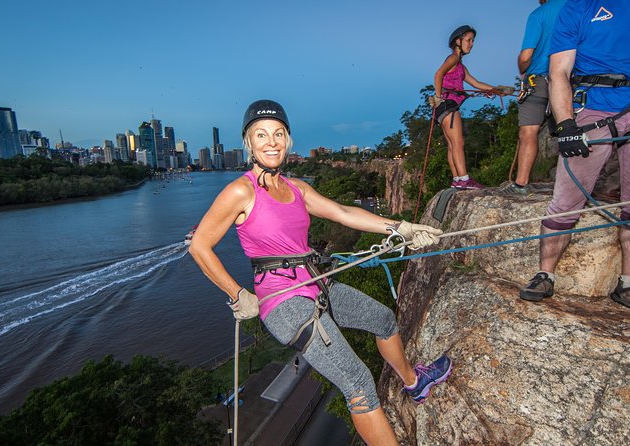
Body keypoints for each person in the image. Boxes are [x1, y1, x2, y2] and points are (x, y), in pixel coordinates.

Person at [190, 99, 453, 445]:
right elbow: (200, 246)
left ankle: (413, 383)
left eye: (279, 134)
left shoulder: (296, 188)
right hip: (285, 304)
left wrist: (400, 227)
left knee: (384, 319)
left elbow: (343, 212)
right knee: (358, 382)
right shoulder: (241, 191)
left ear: (288, 141)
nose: (272, 142)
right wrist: (238, 294)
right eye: (262, 135)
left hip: (317, 285)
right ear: (249, 143)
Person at [519, 0, 630, 309]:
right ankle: (545, 274)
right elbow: (559, 71)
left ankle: (627, 283)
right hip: (593, 104)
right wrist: (566, 124)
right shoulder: (578, 8)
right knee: (566, 202)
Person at [431, 25, 512, 190]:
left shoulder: (460, 66)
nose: (471, 43)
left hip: (443, 108)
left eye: (472, 40)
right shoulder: (453, 58)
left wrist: (496, 90)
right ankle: (464, 179)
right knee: (458, 142)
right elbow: (438, 74)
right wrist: (438, 98)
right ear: (458, 41)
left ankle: (457, 179)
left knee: (452, 144)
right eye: (468, 40)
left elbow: (476, 84)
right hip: (448, 105)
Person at [499, 0, 566, 196]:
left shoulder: (539, 14)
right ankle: (569, 184)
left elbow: (526, 56)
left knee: (528, 132)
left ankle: (521, 184)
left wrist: (521, 67)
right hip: (569, 79)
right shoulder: (576, 7)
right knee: (568, 130)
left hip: (537, 80)